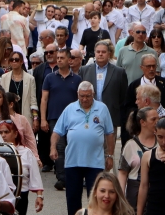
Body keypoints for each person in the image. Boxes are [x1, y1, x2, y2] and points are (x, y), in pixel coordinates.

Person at [51, 82, 115, 215]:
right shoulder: (70, 108)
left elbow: (110, 133)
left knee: (96, 199)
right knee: (73, 198)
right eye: (82, 96)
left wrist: (110, 155)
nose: (85, 99)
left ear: (93, 95)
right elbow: (57, 131)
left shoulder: (102, 108)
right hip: (73, 162)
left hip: (95, 162)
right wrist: (53, 147)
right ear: (77, 95)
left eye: (88, 96)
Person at [42, 49, 83, 189]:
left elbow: (81, 100)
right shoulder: (49, 78)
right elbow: (44, 99)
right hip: (55, 117)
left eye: (61, 58)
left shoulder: (77, 79)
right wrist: (43, 119)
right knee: (59, 147)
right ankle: (62, 178)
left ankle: (72, 175)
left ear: (69, 60)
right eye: (57, 57)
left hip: (74, 119)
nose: (58, 60)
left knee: (72, 147)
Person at [80, 41, 129, 134]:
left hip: (110, 115)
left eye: (103, 52)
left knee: (109, 147)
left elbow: (123, 96)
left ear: (109, 54)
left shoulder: (119, 72)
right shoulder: (84, 70)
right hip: (89, 114)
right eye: (98, 52)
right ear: (94, 53)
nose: (100, 54)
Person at [0, 121, 44, 215]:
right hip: (1, 196)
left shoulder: (26, 152)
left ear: (15, 134)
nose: (3, 135)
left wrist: (39, 196)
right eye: (1, 132)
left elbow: (35, 175)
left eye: (6, 132)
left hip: (21, 194)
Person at [117, 107, 157, 208]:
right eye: (153, 119)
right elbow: (122, 173)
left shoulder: (162, 143)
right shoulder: (130, 145)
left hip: (155, 190)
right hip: (134, 190)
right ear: (142, 122)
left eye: (158, 119)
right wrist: (120, 198)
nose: (157, 122)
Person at [33, 43, 60, 172]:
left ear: (57, 52)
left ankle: (59, 162)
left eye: (51, 52)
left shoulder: (63, 67)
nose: (48, 54)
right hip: (43, 105)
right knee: (44, 135)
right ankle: (47, 162)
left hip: (59, 106)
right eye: (46, 53)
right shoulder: (39, 69)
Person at [1, 51, 39, 130]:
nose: (14, 61)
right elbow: (3, 98)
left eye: (16, 59)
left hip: (25, 113)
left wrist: (35, 118)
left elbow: (33, 100)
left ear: (21, 61)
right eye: (12, 60)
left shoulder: (30, 78)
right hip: (9, 114)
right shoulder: (4, 77)